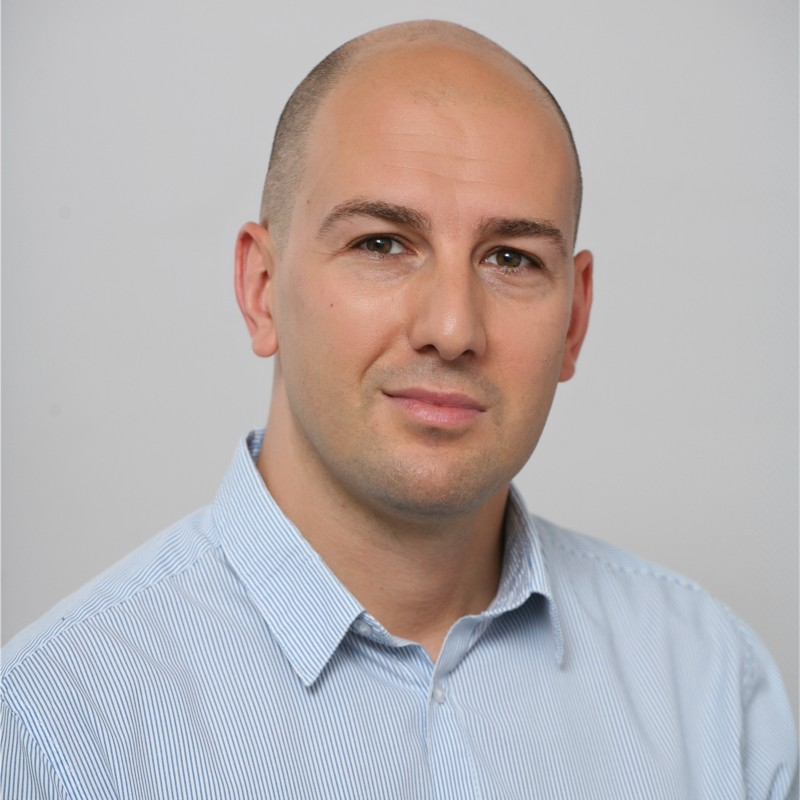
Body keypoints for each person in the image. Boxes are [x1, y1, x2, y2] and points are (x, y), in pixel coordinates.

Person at [2, 18, 796, 799]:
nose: (452, 328)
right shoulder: (52, 727)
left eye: (512, 259)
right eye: (381, 243)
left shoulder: (714, 691)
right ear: (261, 289)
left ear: (575, 321)